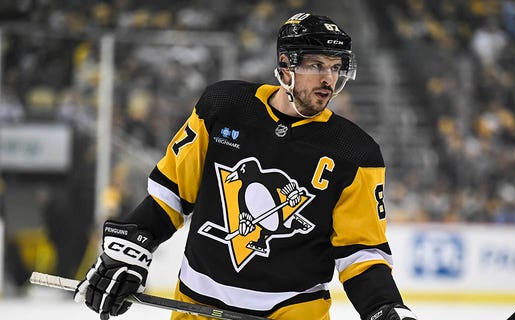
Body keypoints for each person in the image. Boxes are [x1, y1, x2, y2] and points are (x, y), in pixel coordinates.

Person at [74, 12, 418, 320]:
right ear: (286, 64)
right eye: (316, 65)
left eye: (335, 66)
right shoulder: (223, 106)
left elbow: (359, 252)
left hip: (293, 313)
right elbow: (171, 195)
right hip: (197, 306)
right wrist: (129, 249)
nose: (329, 78)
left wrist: (384, 307)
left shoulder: (355, 151)